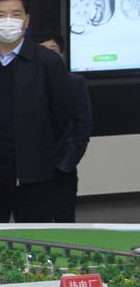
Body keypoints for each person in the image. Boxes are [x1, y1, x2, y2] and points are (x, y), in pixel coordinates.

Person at [0, 0, 69, 223]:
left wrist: (51, 162)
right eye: (1, 15)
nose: (8, 20)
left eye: (15, 14)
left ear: (26, 20)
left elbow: (62, 118)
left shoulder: (48, 62)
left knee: (35, 239)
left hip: (34, 175)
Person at [37, 30, 92, 222]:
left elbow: (83, 126)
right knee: (36, 222)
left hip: (63, 165)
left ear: (61, 53)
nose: (48, 55)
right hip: (33, 168)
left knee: (64, 219)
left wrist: (68, 161)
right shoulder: (26, 83)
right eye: (42, 50)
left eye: (53, 50)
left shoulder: (74, 83)